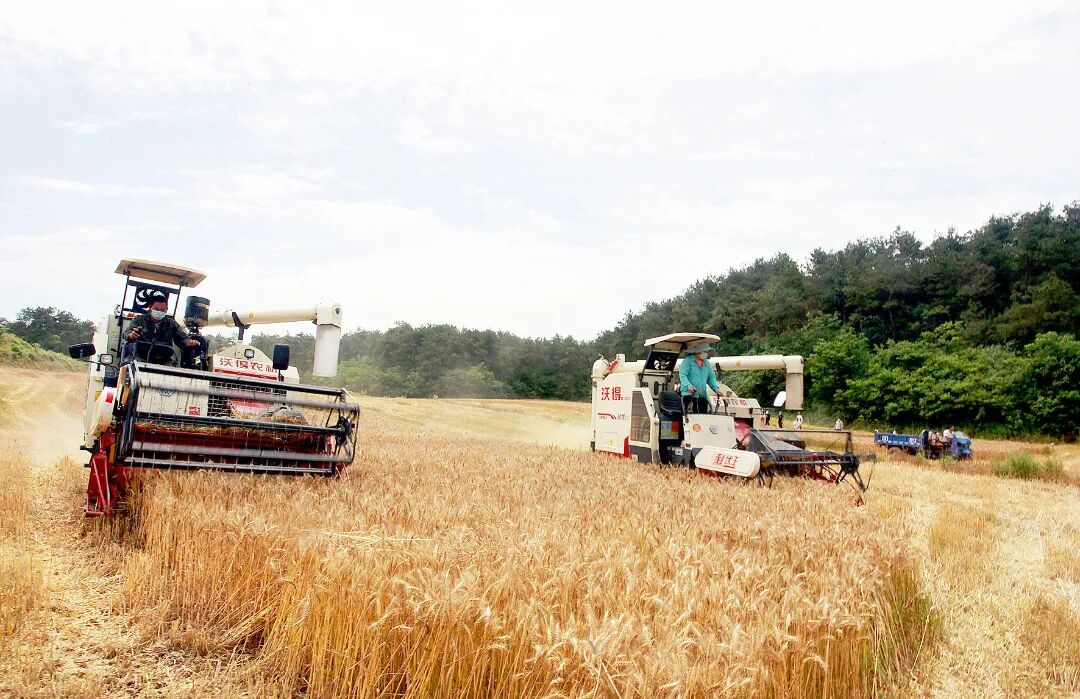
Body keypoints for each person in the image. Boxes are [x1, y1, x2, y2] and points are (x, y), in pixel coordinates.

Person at [124, 293, 200, 364]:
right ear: (150, 307)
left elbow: (181, 338)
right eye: (156, 309)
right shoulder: (139, 319)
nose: (159, 312)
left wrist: (188, 342)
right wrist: (131, 335)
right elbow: (128, 332)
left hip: (164, 360)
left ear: (166, 309)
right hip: (141, 358)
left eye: (163, 310)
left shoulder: (171, 323)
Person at [679, 342, 720, 414]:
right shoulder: (687, 361)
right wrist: (689, 386)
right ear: (698, 352)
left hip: (702, 396)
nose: (706, 354)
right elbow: (683, 375)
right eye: (705, 352)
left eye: (707, 352)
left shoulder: (707, 364)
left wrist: (716, 389)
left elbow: (711, 377)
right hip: (689, 395)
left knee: (703, 417)